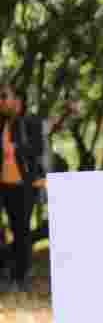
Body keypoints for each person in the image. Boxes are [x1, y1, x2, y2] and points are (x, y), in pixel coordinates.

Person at [0, 81, 43, 293]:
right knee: (11, 231)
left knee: (21, 231)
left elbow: (38, 148)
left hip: (24, 185)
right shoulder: (5, 122)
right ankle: (11, 273)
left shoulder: (30, 121)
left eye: (6, 96)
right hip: (5, 185)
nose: (3, 100)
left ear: (19, 100)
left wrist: (16, 148)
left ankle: (21, 276)